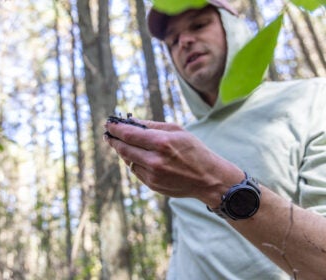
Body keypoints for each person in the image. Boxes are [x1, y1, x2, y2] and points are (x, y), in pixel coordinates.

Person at [104, 0, 326, 279]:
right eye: (172, 41)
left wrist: (215, 183)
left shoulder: (313, 98)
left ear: (233, 28)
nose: (184, 41)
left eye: (198, 25)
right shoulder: (176, 141)